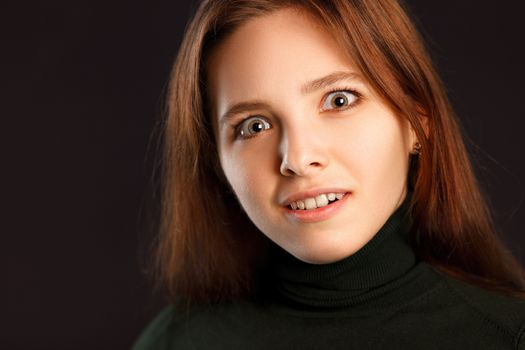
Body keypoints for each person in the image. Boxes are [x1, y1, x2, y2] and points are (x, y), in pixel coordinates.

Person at [133, 0, 525, 348]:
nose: (299, 158)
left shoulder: (506, 335)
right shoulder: (174, 342)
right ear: (218, 165)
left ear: (415, 121)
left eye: (339, 100)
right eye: (254, 126)